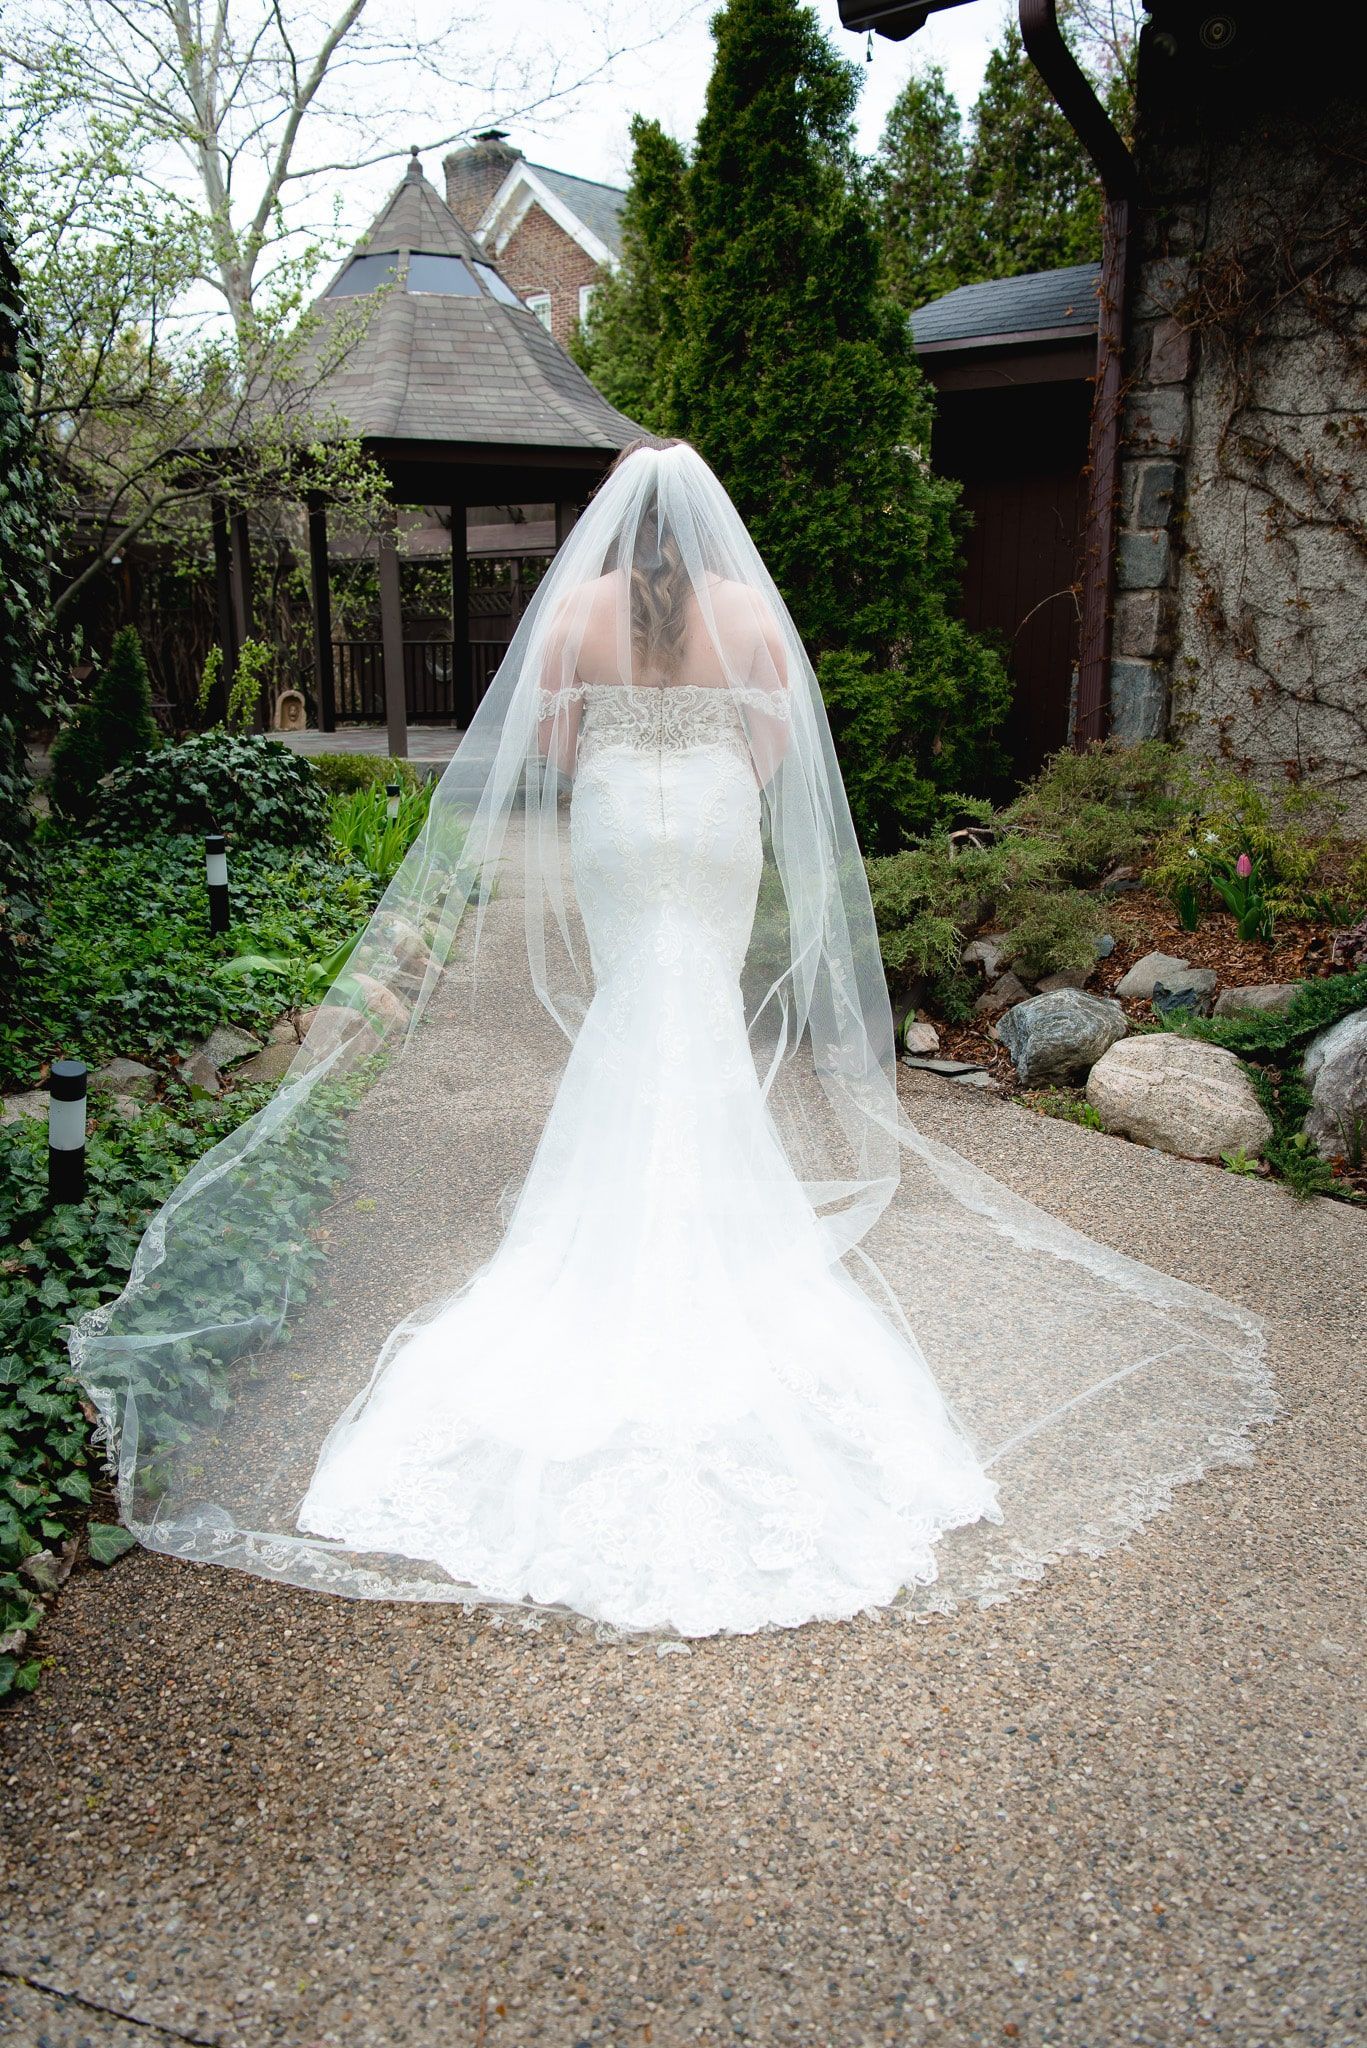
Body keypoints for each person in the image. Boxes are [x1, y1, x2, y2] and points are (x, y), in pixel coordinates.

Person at [70, 439, 1270, 1638]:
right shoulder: (747, 607)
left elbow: (545, 749)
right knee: (693, 1002)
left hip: (612, 825)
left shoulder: (577, 609)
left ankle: (616, 1231)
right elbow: (782, 750)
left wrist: (616, 752)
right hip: (706, 819)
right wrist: (703, 763)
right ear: (701, 530)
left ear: (611, 527)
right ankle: (713, 1226)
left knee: (633, 1007)